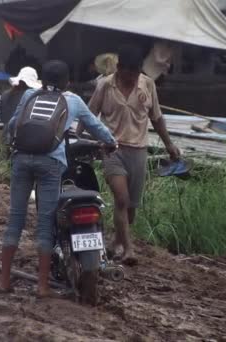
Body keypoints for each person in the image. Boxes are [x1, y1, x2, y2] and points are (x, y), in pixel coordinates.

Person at [0, 60, 117, 298]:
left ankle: (4, 282)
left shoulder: (30, 95)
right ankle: (42, 287)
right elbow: (96, 126)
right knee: (45, 225)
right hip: (51, 164)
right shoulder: (73, 100)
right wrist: (112, 142)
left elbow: (12, 125)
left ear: (42, 80)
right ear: (67, 82)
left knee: (16, 220)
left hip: (22, 160)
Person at [85, 44, 181, 265]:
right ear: (119, 68)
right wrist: (79, 138)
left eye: (135, 71)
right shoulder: (105, 85)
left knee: (131, 209)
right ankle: (129, 249)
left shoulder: (147, 85)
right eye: (127, 71)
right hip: (112, 148)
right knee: (121, 198)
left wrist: (169, 145)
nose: (131, 76)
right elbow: (90, 114)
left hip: (138, 151)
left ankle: (115, 242)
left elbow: (156, 118)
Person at [0, 66, 42, 145]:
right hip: (21, 139)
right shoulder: (30, 97)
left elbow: (2, 118)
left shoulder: (5, 94)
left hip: (5, 137)